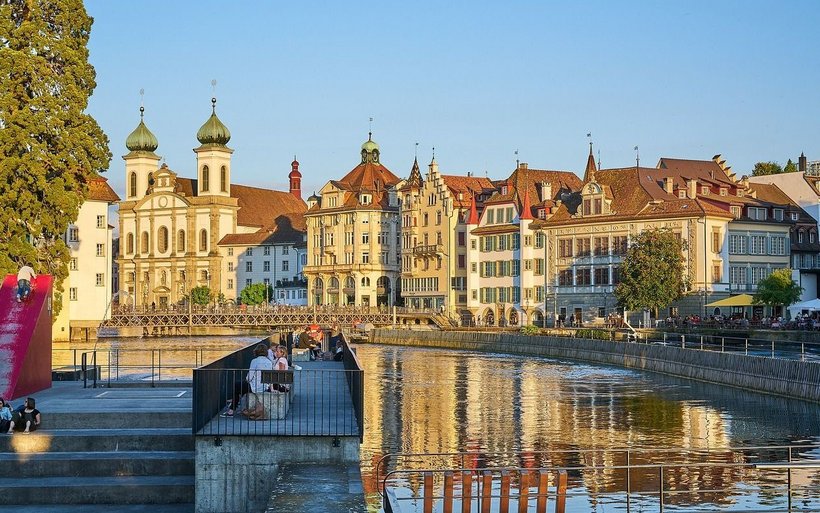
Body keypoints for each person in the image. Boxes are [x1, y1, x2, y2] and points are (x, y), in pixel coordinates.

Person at [222, 344, 272, 417]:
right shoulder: (269, 362)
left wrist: (247, 379)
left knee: (237, 385)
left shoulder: (255, 361)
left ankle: (231, 410)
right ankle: (236, 403)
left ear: (257, 351)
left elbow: (249, 378)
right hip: (264, 387)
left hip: (255, 387)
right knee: (241, 387)